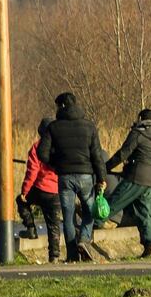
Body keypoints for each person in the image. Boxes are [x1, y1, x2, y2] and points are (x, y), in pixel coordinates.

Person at [38, 92, 106, 263]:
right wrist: (101, 177)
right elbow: (97, 155)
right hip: (86, 175)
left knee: (68, 217)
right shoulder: (89, 126)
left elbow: (42, 153)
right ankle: (84, 238)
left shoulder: (53, 127)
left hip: (64, 177)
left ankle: (72, 254)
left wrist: (56, 164)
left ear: (61, 106)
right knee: (90, 211)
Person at [99, 109, 151, 258]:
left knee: (112, 204)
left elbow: (123, 153)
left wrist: (106, 168)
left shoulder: (138, 134)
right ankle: (149, 243)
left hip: (135, 177)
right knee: (145, 213)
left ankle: (87, 231)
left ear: (140, 118)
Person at [16, 117, 62, 263]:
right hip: (56, 191)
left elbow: (32, 172)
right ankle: (54, 256)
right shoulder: (60, 146)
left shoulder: (37, 147)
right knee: (53, 225)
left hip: (40, 189)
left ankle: (31, 228)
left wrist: (25, 191)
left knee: (21, 201)